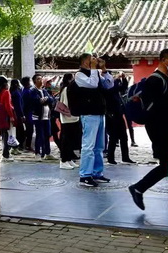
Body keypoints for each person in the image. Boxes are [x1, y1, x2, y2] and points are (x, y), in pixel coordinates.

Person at [128, 48, 168, 210]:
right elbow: (154, 110)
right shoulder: (155, 80)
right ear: (164, 60)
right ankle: (138, 188)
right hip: (160, 129)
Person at [70, 53, 113, 187]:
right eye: (92, 59)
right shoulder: (79, 75)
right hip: (88, 114)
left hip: (99, 113)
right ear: (84, 62)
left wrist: (103, 69)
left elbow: (109, 85)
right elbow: (93, 84)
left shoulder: (96, 73)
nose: (95, 61)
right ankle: (85, 175)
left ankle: (97, 172)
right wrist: (94, 69)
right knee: (88, 146)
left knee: (99, 146)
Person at [106, 70, 134, 165]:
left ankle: (125, 157)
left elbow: (123, 88)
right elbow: (114, 88)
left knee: (124, 136)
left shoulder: (114, 87)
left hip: (118, 113)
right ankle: (110, 158)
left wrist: (124, 79)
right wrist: (117, 79)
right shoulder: (106, 87)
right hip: (111, 114)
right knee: (113, 137)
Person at [25, 74, 54, 160]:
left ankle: (47, 153)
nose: (40, 80)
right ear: (34, 81)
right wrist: (43, 100)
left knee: (47, 134)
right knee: (39, 135)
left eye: (41, 79)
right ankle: (37, 153)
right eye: (38, 79)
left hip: (46, 116)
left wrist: (46, 100)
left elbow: (51, 99)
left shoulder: (44, 90)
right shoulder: (32, 91)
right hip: (38, 116)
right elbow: (36, 101)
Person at [57, 73, 81, 169]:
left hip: (72, 118)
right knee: (66, 140)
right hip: (68, 118)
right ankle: (63, 160)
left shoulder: (68, 89)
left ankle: (69, 159)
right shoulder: (66, 89)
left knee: (70, 140)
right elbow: (67, 103)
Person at [0, 76, 15, 161]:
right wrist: (11, 116)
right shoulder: (6, 92)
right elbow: (7, 105)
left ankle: (5, 153)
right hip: (5, 115)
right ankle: (6, 154)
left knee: (3, 134)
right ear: (5, 83)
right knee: (7, 134)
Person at [116, 72, 137, 147]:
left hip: (126, 107)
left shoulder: (126, 88)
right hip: (119, 107)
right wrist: (117, 79)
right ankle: (117, 141)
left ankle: (133, 141)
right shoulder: (115, 87)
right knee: (118, 125)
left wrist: (124, 78)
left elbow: (125, 86)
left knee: (130, 125)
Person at [9, 79, 26, 155]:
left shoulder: (11, 92)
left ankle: (15, 146)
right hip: (18, 114)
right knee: (20, 131)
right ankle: (18, 146)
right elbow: (19, 105)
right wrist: (22, 115)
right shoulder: (16, 93)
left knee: (15, 131)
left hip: (13, 113)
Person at [20, 77, 35, 152]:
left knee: (29, 129)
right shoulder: (27, 92)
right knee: (30, 130)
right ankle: (27, 145)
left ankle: (26, 144)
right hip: (28, 113)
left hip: (27, 112)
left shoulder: (24, 91)